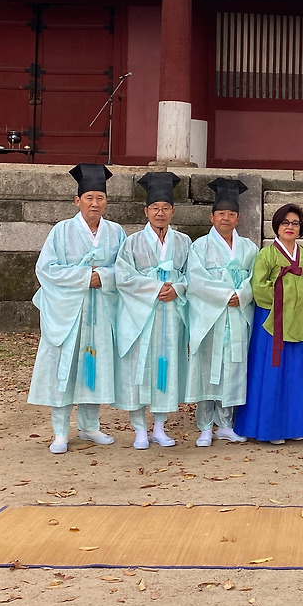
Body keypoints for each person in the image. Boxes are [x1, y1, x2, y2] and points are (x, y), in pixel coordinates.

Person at [27, 164, 126, 454]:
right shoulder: (61, 231)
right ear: (77, 200)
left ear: (106, 201)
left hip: (101, 310)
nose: (95, 203)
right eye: (89, 198)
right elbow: (46, 269)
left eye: (100, 198)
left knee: (94, 365)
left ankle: (90, 425)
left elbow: (125, 268)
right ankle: (60, 431)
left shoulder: (116, 232)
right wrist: (85, 277)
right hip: (68, 311)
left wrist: (103, 276)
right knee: (65, 367)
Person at [233, 203, 303, 444]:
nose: (290, 227)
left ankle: (298, 425)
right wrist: (288, 294)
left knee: (299, 375)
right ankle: (272, 428)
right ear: (276, 225)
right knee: (274, 375)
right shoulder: (266, 254)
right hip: (273, 323)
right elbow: (259, 287)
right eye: (285, 222)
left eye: (295, 223)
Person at [114, 171, 190, 450]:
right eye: (155, 208)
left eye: (165, 208)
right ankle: (138, 429)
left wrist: (178, 288)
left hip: (170, 313)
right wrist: (154, 287)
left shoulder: (184, 242)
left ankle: (159, 427)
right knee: (138, 367)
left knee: (165, 367)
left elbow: (192, 275)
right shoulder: (132, 242)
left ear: (173, 211)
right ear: (146, 211)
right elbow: (123, 276)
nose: (160, 213)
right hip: (140, 315)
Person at [186, 177, 259, 446]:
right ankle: (205, 426)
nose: (225, 218)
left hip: (238, 314)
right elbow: (196, 280)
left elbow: (255, 277)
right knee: (208, 369)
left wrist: (242, 295)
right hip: (211, 316)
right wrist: (226, 295)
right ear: (212, 216)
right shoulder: (199, 246)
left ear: (238, 218)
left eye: (230, 214)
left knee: (233, 369)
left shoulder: (249, 247)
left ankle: (226, 424)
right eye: (220, 213)